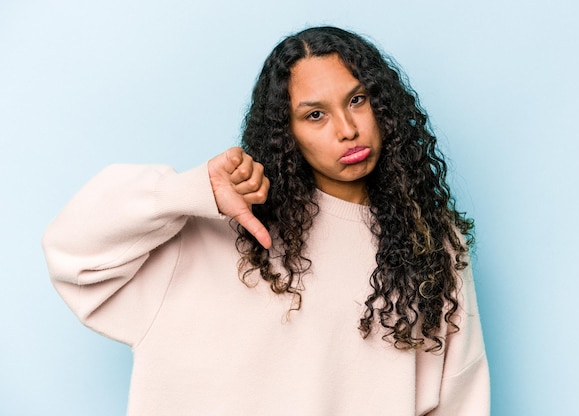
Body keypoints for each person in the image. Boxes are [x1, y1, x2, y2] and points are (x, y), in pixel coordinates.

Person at [43, 26, 489, 415]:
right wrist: (188, 192)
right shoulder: (211, 232)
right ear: (286, 131)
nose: (347, 129)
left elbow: (458, 399)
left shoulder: (433, 244)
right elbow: (73, 254)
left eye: (358, 100)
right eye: (315, 115)